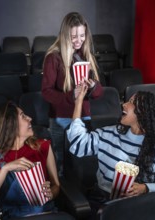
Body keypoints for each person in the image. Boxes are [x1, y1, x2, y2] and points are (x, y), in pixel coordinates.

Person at [67, 84, 155, 216]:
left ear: (144, 113)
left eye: (132, 103)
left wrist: (145, 188)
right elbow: (79, 144)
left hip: (140, 205)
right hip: (102, 201)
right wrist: (78, 103)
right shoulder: (108, 133)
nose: (124, 105)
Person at [0, 101, 60, 219]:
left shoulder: (43, 146)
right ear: (10, 126)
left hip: (46, 214)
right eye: (23, 116)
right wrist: (5, 169)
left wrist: (51, 193)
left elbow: (56, 185)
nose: (30, 118)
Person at [41, 12, 103, 175]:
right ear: (65, 35)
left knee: (83, 163)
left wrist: (92, 87)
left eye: (82, 35)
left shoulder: (85, 54)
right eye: (73, 36)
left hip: (83, 116)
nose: (78, 40)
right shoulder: (53, 57)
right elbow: (46, 92)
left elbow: (98, 93)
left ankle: (83, 198)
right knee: (61, 165)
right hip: (61, 119)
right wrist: (71, 96)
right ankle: (64, 198)